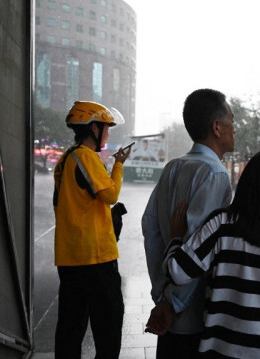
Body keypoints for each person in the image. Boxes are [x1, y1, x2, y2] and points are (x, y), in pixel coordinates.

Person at [163, 149, 260, 358]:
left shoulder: (221, 224)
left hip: (220, 351)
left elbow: (177, 272)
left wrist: (175, 239)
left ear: (246, 184)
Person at [142, 89, 235, 358]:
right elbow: (197, 251)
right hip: (192, 315)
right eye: (231, 119)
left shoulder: (173, 166)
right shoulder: (216, 174)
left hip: (167, 309)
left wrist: (162, 294)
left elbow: (152, 230)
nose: (234, 127)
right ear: (217, 127)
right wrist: (172, 305)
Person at [53, 101, 131, 358]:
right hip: (95, 259)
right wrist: (119, 165)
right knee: (108, 326)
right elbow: (110, 194)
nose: (108, 134)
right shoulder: (85, 157)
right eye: (106, 128)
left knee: (70, 328)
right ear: (94, 128)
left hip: (70, 258)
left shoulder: (65, 160)